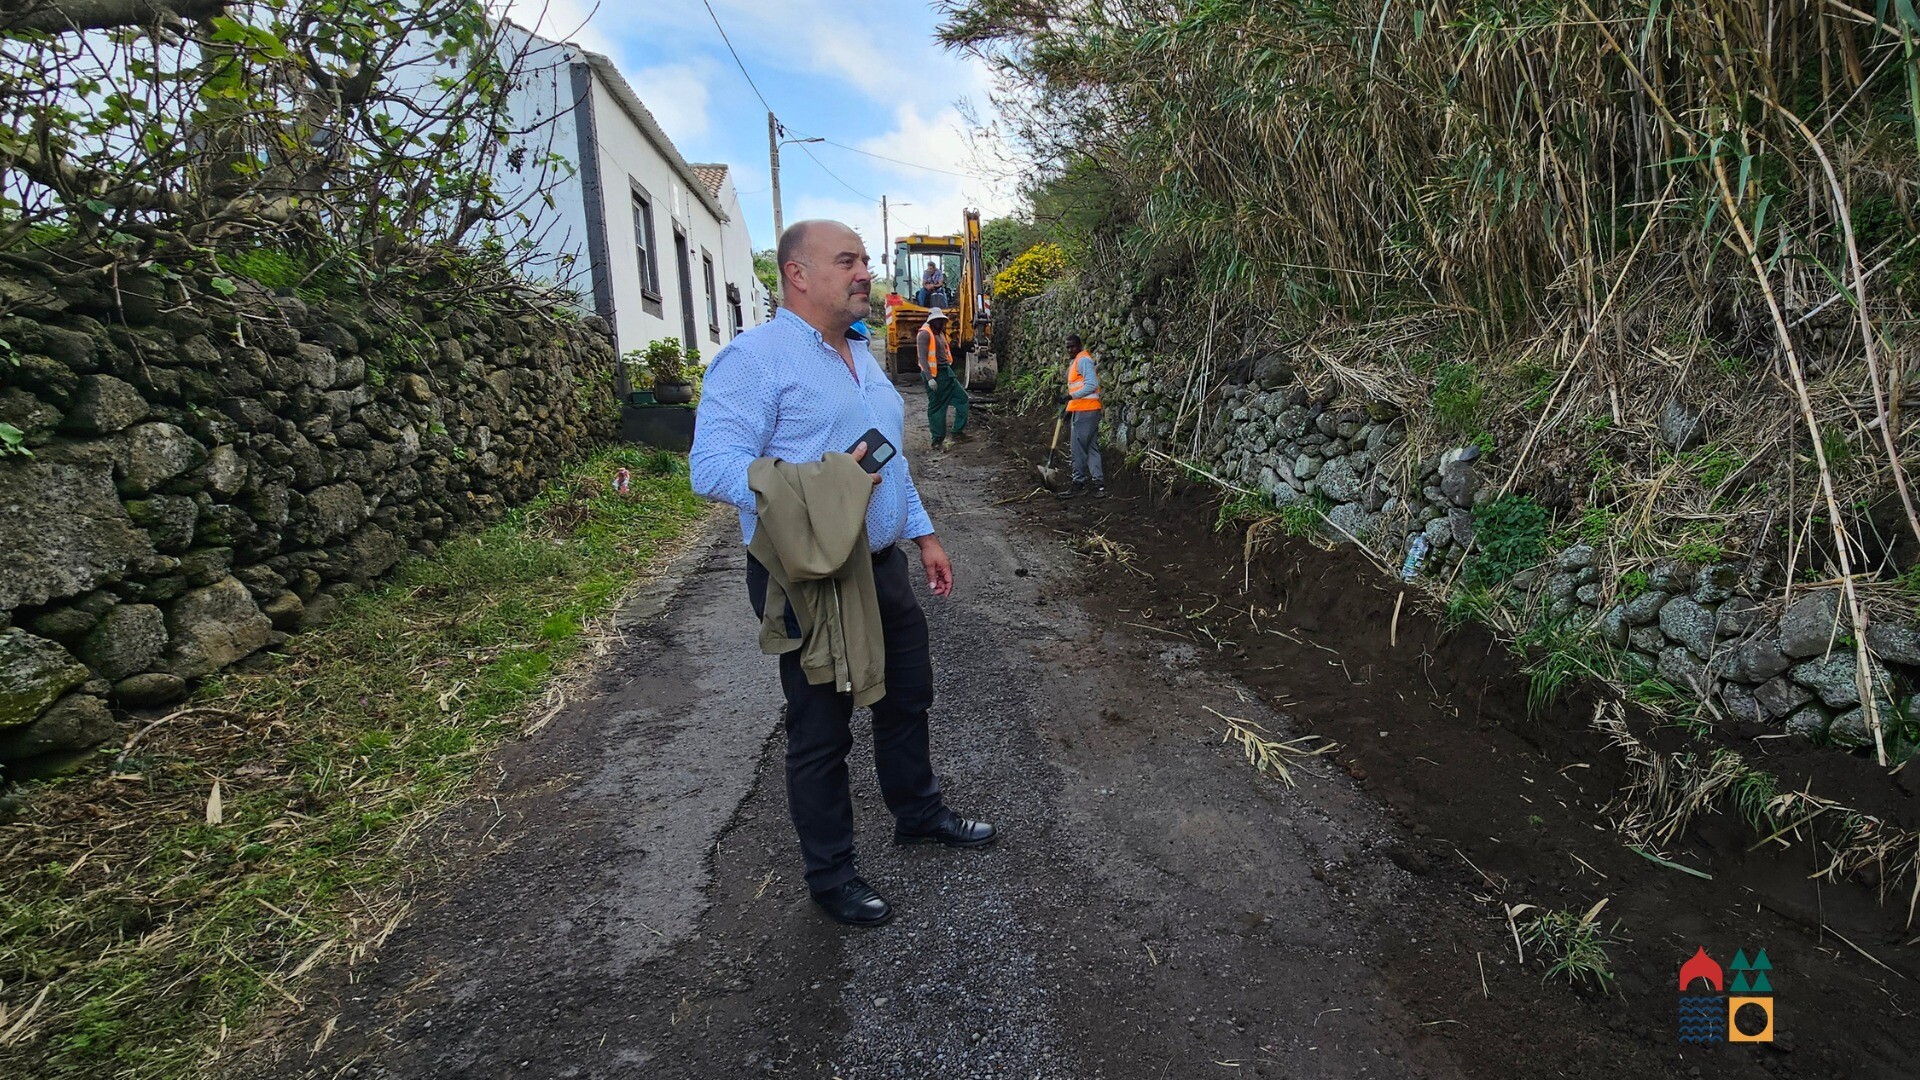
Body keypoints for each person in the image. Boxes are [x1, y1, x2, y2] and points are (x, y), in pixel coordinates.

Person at [690, 219, 996, 929]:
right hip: (809, 576)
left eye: (865, 260)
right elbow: (710, 468)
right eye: (848, 260)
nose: (865, 273)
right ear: (798, 274)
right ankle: (831, 875)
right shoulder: (754, 360)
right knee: (821, 729)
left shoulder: (863, 353)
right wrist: (822, 486)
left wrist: (924, 535)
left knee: (907, 697)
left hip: (882, 564)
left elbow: (889, 460)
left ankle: (917, 813)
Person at [1059, 334, 1106, 499]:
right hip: (1088, 410)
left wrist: (1070, 397)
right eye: (1068, 347)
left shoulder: (1083, 361)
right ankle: (1098, 485)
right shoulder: (1079, 361)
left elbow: (1091, 385)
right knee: (1092, 448)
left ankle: (1078, 483)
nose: (1070, 349)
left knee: (1078, 448)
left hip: (1085, 411)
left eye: (1073, 346)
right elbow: (1079, 389)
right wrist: (1068, 409)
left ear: (1080, 345)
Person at [917, 308, 969, 449]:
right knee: (938, 407)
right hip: (935, 375)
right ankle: (937, 440)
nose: (940, 323)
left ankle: (957, 431)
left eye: (941, 321)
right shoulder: (924, 334)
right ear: (932, 321)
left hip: (947, 372)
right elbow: (922, 358)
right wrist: (929, 378)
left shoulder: (939, 333)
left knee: (962, 399)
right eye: (938, 321)